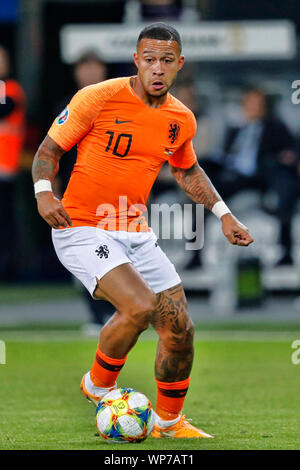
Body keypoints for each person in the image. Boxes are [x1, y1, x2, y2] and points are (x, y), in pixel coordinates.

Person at [32, 23, 253, 438]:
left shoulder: (179, 119)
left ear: (178, 65)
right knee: (138, 307)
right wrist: (45, 193)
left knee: (180, 328)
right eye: (149, 59)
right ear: (136, 60)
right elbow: (48, 151)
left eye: (166, 61)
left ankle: (170, 423)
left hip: (134, 231)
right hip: (81, 226)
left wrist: (224, 213)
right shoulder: (97, 97)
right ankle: (97, 385)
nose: (157, 68)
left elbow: (186, 169)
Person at [188, 87, 299, 269]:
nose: (251, 107)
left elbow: (290, 151)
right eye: (248, 102)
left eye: (256, 103)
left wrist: (286, 157)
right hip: (234, 175)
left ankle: (286, 252)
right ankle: (195, 256)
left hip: (261, 176)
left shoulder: (275, 128)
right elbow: (226, 155)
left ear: (264, 106)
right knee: (200, 195)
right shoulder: (236, 130)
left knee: (285, 187)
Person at [52, 51, 115, 334]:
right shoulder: (64, 106)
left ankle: (116, 315)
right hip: (74, 197)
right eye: (84, 66)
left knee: (115, 256)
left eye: (95, 65)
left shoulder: (118, 105)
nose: (89, 72)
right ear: (76, 72)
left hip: (112, 197)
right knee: (81, 260)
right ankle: (95, 315)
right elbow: (51, 155)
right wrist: (50, 194)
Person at [0, 46, 26, 280]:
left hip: (5, 169)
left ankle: (9, 269)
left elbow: (4, 107)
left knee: (5, 223)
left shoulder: (9, 88)